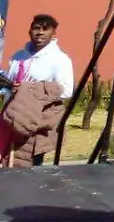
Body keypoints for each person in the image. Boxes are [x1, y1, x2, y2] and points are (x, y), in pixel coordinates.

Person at [1, 14, 73, 167]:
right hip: (11, 117)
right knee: (7, 162)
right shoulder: (18, 56)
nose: (40, 32)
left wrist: (29, 90)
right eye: (36, 28)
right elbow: (9, 83)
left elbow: (66, 90)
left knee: (30, 168)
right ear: (29, 31)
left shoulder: (59, 59)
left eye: (45, 29)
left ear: (53, 34)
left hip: (37, 121)